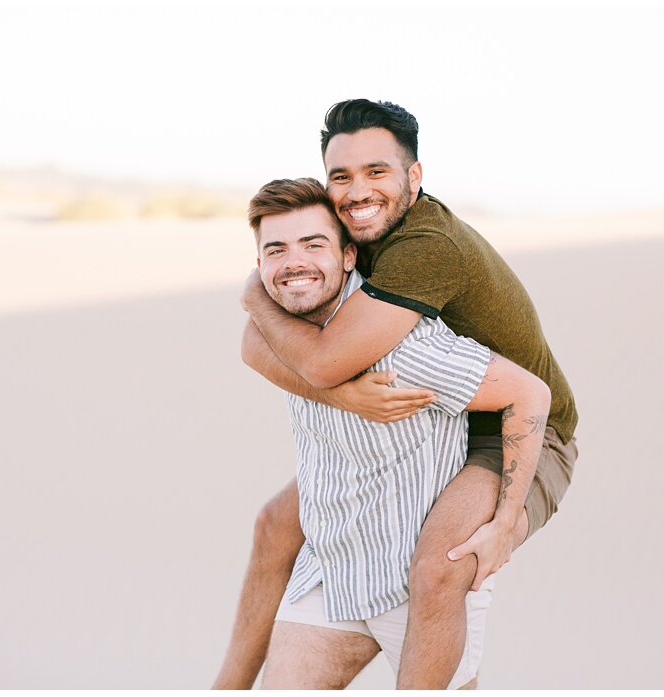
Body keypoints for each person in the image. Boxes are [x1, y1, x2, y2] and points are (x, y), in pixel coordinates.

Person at [213, 100, 579, 690]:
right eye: (342, 176)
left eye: (376, 172)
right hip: (442, 416)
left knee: (440, 566)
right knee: (277, 522)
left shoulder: (424, 249)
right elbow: (260, 348)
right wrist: (262, 299)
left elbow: (326, 361)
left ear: (414, 176)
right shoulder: (356, 231)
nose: (357, 191)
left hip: (516, 429)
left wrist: (507, 523)